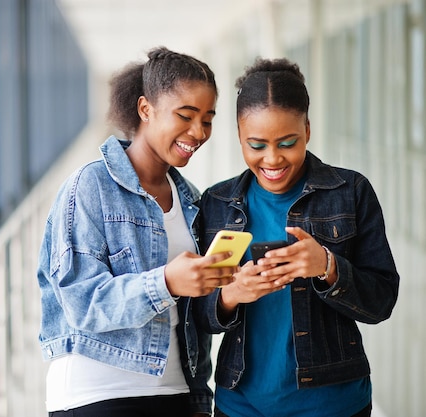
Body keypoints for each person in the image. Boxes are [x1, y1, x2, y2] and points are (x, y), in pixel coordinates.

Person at [194, 57, 400, 417]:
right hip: (240, 405)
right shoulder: (216, 203)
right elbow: (197, 318)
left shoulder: (350, 191)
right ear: (239, 136)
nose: (272, 159)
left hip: (334, 404)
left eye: (287, 142)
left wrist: (328, 266)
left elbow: (381, 302)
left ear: (307, 129)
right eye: (256, 145)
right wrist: (231, 295)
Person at [37, 47, 236, 417]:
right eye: (186, 115)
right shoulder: (90, 186)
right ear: (145, 109)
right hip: (96, 393)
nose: (198, 132)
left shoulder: (191, 199)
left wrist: (197, 399)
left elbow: (193, 319)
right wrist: (166, 282)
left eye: (207, 119)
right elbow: (82, 302)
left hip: (176, 390)